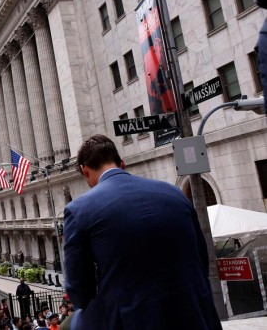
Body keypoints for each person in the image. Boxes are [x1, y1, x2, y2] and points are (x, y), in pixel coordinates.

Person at [63, 134, 222, 330]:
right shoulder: (175, 193)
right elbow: (201, 258)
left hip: (132, 320)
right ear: (122, 164)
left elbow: (78, 288)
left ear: (85, 171)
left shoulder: (78, 210)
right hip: (196, 314)